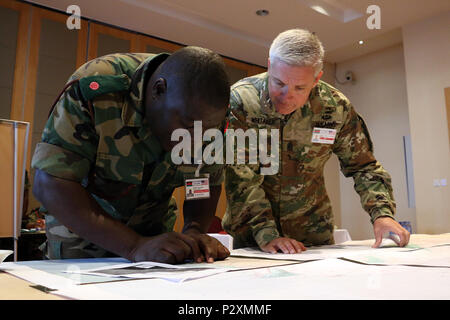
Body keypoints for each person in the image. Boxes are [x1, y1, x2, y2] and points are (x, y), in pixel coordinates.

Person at [32, 46, 231, 264]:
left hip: (155, 243)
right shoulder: (98, 88)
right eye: (187, 126)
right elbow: (51, 183)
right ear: (158, 90)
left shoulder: (208, 117)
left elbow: (203, 180)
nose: (193, 140)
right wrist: (133, 245)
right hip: (82, 242)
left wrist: (194, 231)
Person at [222, 29, 410, 254]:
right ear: (270, 65)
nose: (286, 95)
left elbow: (363, 166)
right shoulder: (241, 101)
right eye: (278, 82)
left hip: (312, 237)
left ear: (316, 78)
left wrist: (382, 214)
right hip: (253, 239)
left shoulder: (334, 107)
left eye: (299, 87)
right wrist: (267, 234)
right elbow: (241, 175)